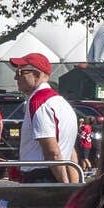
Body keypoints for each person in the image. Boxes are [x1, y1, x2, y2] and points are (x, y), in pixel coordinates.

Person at [10, 53, 76, 183]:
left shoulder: (39, 102)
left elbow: (52, 152)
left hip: (42, 176)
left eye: (20, 72)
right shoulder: (61, 102)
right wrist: (74, 186)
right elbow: (70, 151)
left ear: (37, 75)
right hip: (53, 173)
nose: (15, 77)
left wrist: (64, 187)